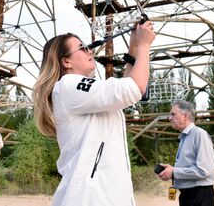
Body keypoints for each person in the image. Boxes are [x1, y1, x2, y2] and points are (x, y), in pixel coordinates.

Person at [33, 20, 156, 206]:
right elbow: (133, 89)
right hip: (90, 197)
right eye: (82, 48)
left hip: (102, 196)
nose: (90, 51)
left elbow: (123, 91)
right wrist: (145, 45)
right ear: (66, 61)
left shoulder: (75, 91)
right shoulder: (68, 85)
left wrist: (134, 48)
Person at [158, 100, 214, 206]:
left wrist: (174, 172)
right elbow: (189, 166)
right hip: (187, 194)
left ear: (185, 116)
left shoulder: (199, 134)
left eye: (173, 114)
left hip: (200, 195)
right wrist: (171, 171)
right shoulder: (184, 137)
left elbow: (204, 170)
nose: (170, 118)